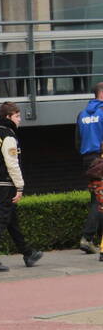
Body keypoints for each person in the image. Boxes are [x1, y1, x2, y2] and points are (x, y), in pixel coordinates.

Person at [0, 102, 42, 273]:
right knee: (1, 220)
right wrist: (20, 187)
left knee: (11, 218)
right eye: (17, 116)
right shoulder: (8, 136)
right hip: (5, 183)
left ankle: (28, 253)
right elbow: (12, 163)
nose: (20, 119)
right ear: (8, 117)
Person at [74, 81, 103, 254]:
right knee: (99, 202)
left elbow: (77, 141)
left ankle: (94, 239)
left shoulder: (82, 114)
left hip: (88, 160)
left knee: (96, 199)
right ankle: (88, 238)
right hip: (101, 159)